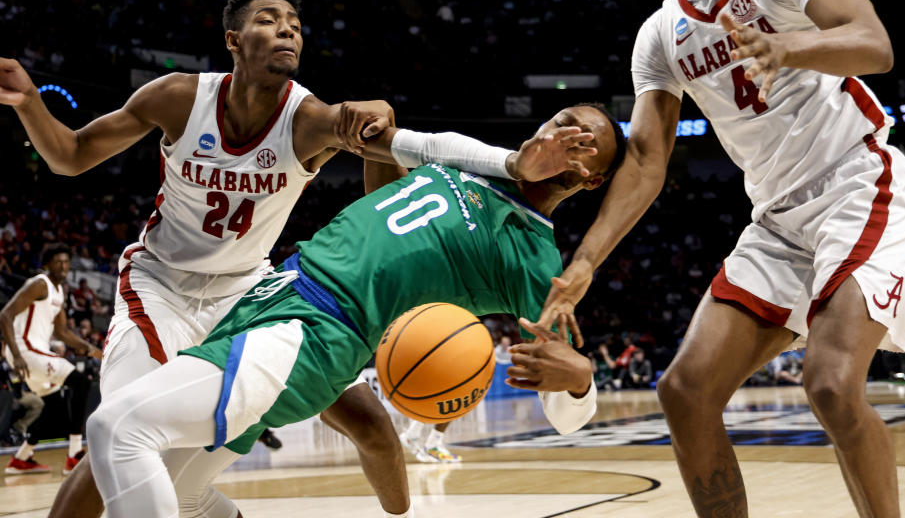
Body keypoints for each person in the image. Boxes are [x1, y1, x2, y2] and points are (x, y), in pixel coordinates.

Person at [0, 0, 593, 518]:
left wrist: (376, 128)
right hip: (165, 286)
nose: (287, 28)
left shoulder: (307, 118)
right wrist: (30, 103)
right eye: (269, 19)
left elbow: (398, 142)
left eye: (296, 24)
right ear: (232, 38)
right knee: (123, 436)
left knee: (142, 438)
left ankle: (394, 499)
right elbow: (71, 156)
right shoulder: (180, 97)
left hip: (260, 290)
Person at [538, 0, 905, 516]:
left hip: (858, 184)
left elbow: (874, 44)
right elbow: (644, 160)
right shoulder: (660, 33)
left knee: (830, 386)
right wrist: (585, 261)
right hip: (777, 221)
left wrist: (788, 45)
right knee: (685, 393)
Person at [86, 103, 624, 517]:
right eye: (563, 121)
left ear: (592, 179)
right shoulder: (471, 160)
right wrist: (377, 127)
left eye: (585, 142)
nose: (565, 134)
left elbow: (567, 410)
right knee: (183, 495)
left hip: (319, 331)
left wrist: (580, 382)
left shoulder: (536, 258)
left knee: (119, 428)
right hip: (272, 294)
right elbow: (388, 153)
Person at [0, 244, 101, 474]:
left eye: (66, 262)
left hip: (34, 352)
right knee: (82, 383)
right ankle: (74, 455)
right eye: (58, 262)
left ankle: (21, 458)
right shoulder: (39, 284)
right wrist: (16, 355)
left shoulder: (59, 292)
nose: (63, 266)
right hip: (24, 350)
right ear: (48, 264)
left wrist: (92, 349)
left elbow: (63, 332)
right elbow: (5, 315)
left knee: (54, 404)